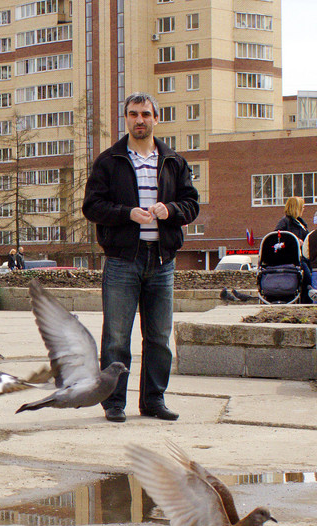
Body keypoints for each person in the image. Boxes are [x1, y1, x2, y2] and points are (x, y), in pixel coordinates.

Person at [82, 91, 199, 424]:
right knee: (117, 338)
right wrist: (127, 214)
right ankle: (114, 402)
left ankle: (153, 401)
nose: (139, 120)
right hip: (122, 261)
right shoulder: (110, 160)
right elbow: (92, 207)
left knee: (159, 337)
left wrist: (171, 209)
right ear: (126, 118)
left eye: (145, 114)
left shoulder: (173, 161)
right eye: (133, 114)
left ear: (155, 119)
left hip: (162, 261)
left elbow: (192, 204)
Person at [274, 196, 317, 302]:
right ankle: (306, 302)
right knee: (307, 278)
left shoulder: (300, 223)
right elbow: (277, 239)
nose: (303, 209)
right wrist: (295, 241)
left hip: (302, 257)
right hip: (293, 258)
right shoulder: (285, 223)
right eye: (302, 207)